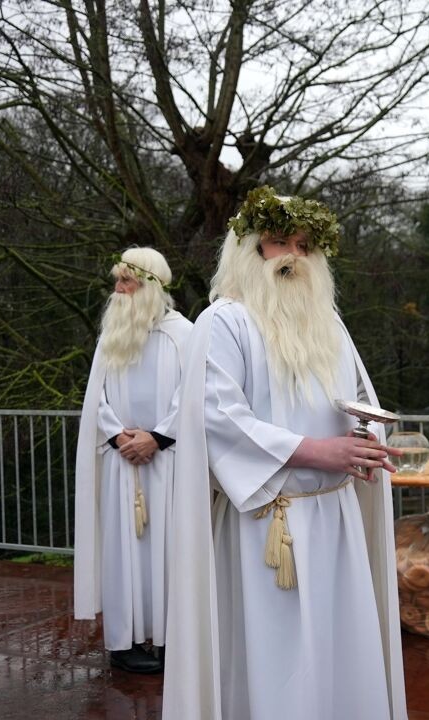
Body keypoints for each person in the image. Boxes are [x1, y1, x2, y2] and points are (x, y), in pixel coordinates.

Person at [163, 186, 408, 719]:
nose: (293, 255)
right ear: (250, 249)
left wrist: (365, 442)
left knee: (338, 653)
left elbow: (357, 401)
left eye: (303, 245)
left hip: (337, 519)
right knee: (276, 663)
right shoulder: (224, 321)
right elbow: (216, 416)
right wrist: (317, 450)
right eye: (278, 242)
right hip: (268, 526)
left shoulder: (331, 326)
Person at [73, 247, 192, 674]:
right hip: (122, 461)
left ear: (153, 287)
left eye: (129, 282)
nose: (119, 291)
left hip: (168, 461)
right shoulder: (112, 335)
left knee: (170, 549)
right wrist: (118, 433)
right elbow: (96, 398)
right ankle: (123, 643)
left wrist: (157, 437)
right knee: (124, 551)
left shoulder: (185, 334)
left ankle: (170, 638)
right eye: (118, 281)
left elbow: (194, 396)